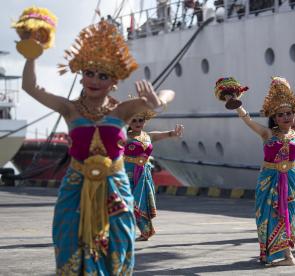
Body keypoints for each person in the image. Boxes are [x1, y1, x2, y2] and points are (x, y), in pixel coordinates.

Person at [21, 20, 175, 274]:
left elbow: (169, 93)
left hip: (114, 186)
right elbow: (30, 88)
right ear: (81, 75)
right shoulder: (69, 109)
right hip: (75, 186)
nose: (94, 80)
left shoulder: (122, 110)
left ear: (114, 81)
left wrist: (157, 103)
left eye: (103, 76)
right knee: (69, 241)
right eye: (89, 73)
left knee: (119, 243)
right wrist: (32, 56)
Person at [225, 77, 295, 266]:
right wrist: (236, 104)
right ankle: (282, 255)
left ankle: (288, 256)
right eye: (281, 115)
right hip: (269, 180)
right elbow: (247, 120)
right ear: (274, 118)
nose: (286, 117)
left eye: (289, 113)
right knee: (268, 217)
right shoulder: (267, 134)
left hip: (290, 179)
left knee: (286, 215)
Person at [124, 111, 184, 241]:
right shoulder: (124, 137)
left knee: (142, 202)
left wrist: (173, 133)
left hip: (143, 174)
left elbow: (167, 134)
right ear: (128, 122)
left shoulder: (148, 136)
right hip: (127, 175)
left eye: (141, 120)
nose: (138, 123)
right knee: (128, 202)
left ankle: (147, 231)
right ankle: (122, 232)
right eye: (134, 120)